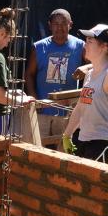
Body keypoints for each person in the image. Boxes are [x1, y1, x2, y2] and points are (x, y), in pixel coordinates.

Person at [60, 24, 108, 167]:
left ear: (104, 47)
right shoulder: (90, 74)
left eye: (90, 42)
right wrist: (67, 135)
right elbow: (80, 108)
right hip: (83, 139)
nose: (85, 45)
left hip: (103, 143)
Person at [25, 8, 85, 146]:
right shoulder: (39, 47)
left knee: (64, 150)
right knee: (37, 148)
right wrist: (34, 100)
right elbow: (29, 74)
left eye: (64, 23)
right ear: (49, 25)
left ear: (70, 24)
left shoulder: (80, 46)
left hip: (67, 111)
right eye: (56, 24)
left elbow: (95, 69)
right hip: (43, 109)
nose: (60, 27)